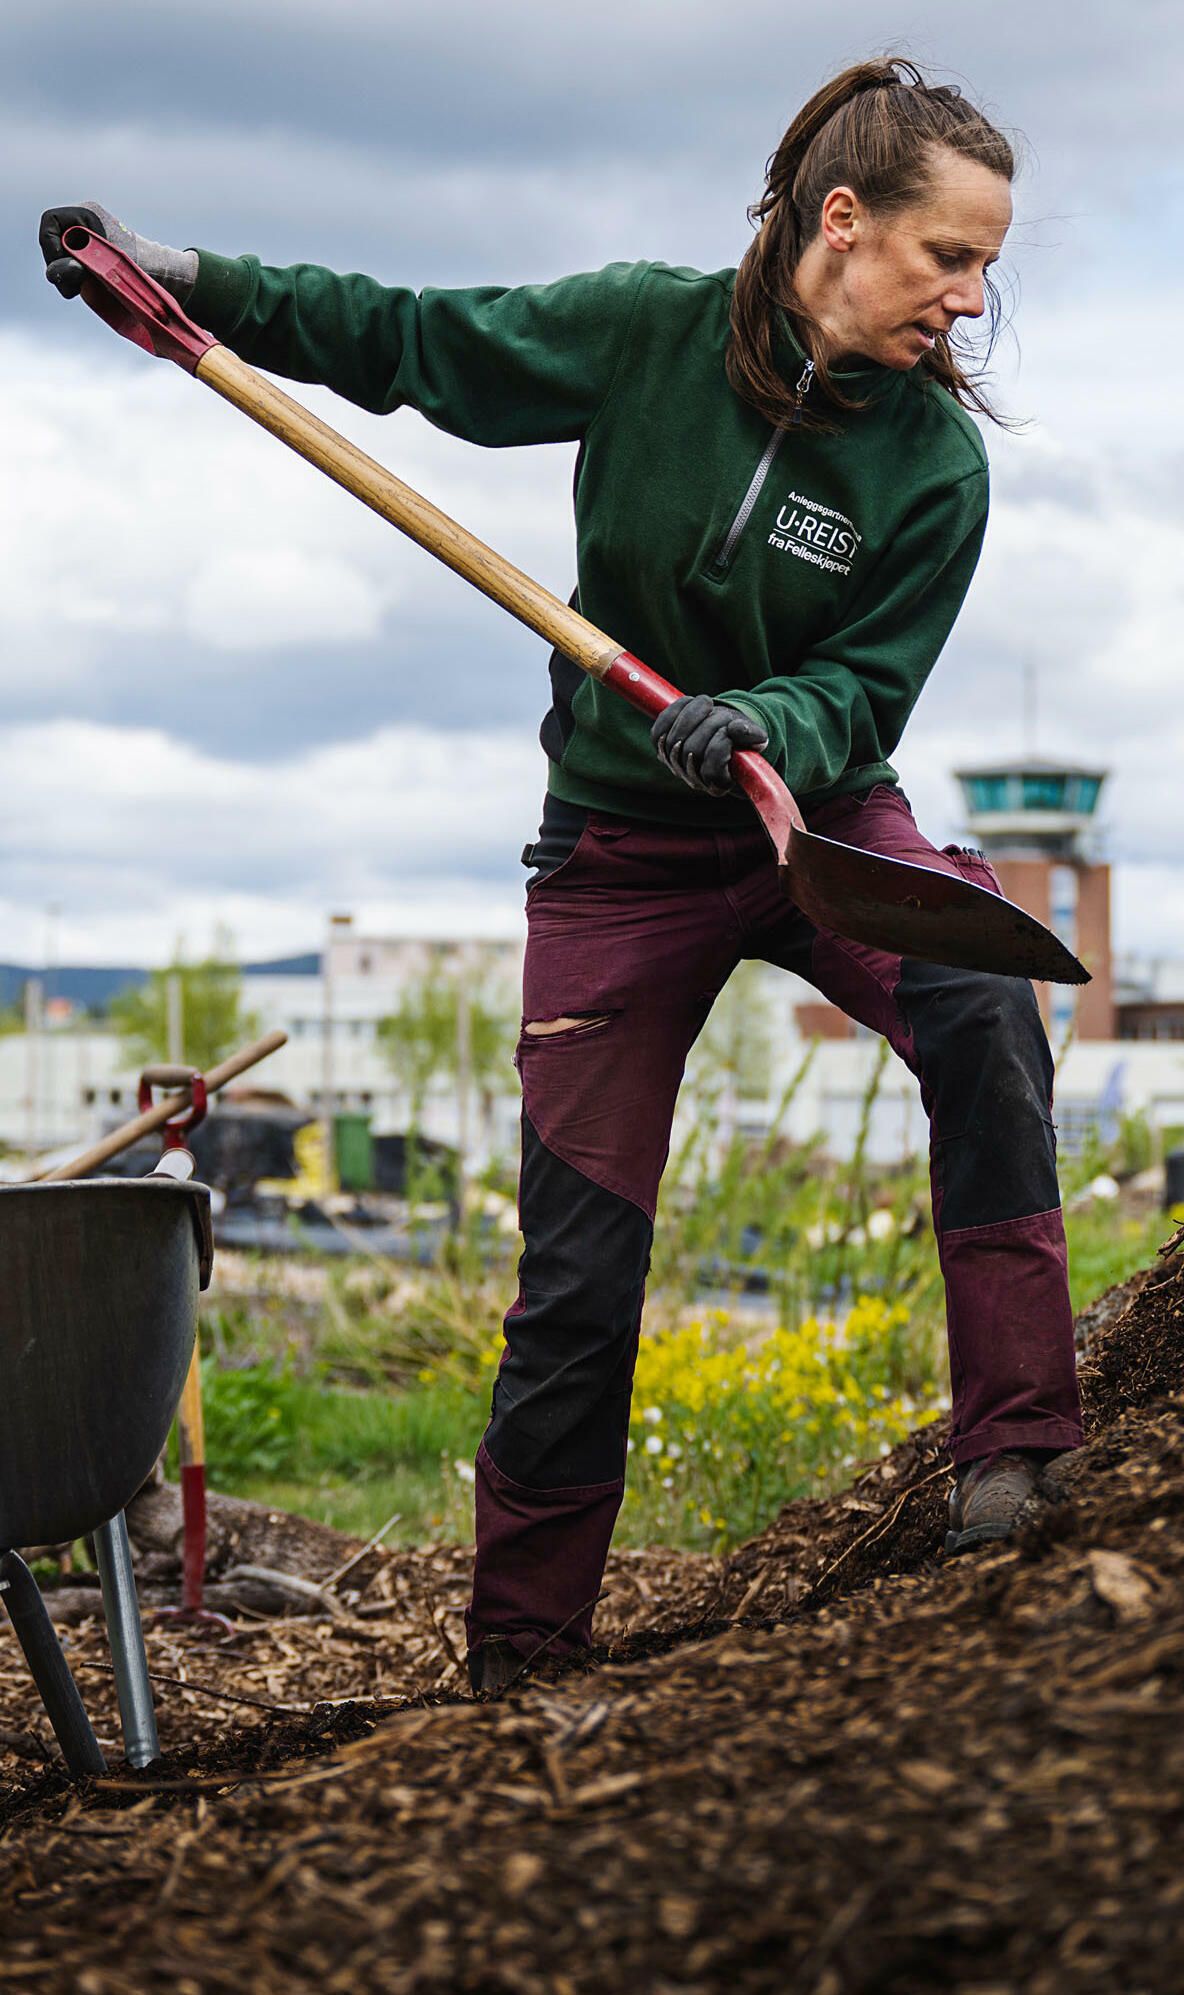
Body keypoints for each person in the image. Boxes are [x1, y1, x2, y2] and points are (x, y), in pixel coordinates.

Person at [41, 54, 1084, 1697]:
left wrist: (763, 721)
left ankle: (1017, 1451)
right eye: (950, 257)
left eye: (984, 269)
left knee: (980, 993)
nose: (970, 299)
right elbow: (413, 344)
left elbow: (864, 694)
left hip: (813, 821)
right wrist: (200, 286)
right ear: (842, 223)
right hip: (621, 858)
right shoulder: (645, 333)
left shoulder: (934, 471)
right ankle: (525, 1655)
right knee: (581, 1267)